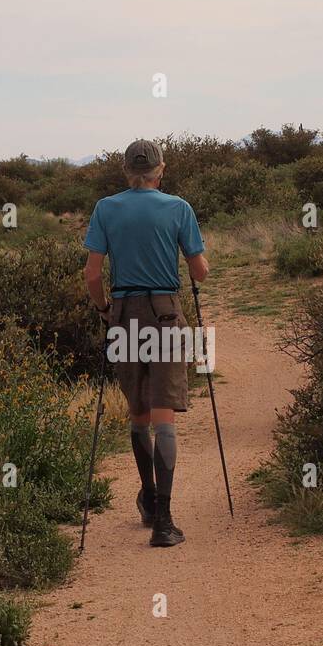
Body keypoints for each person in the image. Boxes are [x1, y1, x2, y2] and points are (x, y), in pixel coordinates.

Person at [83, 139, 209, 547]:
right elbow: (200, 272)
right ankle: (164, 524)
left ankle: (150, 502)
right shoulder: (179, 208)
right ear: (162, 169)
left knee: (138, 412)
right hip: (166, 313)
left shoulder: (106, 209)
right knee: (164, 417)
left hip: (123, 314)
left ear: (125, 171)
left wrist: (105, 309)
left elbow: (92, 275)